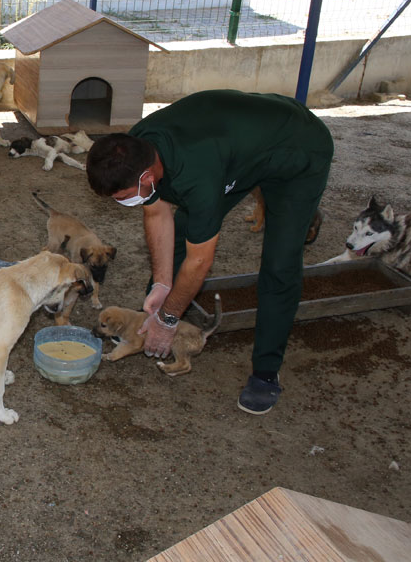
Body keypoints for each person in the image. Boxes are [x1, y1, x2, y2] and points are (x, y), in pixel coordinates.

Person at [85, 90, 332, 414]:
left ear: (147, 176)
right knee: (186, 228)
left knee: (280, 263)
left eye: (123, 197)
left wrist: (171, 316)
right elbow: (156, 211)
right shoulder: (137, 147)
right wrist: (162, 284)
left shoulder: (196, 176)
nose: (122, 204)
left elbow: (200, 261)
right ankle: (154, 321)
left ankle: (265, 373)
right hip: (238, 153)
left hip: (297, 150)